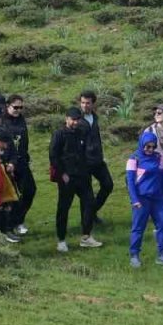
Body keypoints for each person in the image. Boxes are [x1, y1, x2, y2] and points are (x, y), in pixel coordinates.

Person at [50, 107, 102, 252]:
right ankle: (61, 240)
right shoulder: (59, 134)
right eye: (73, 120)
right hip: (67, 177)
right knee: (64, 208)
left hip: (83, 175)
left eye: (78, 120)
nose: (75, 123)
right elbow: (53, 156)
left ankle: (86, 236)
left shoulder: (82, 132)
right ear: (66, 118)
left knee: (90, 203)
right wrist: (62, 174)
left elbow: (86, 151)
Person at [126, 130, 163, 268]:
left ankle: (162, 255)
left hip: (158, 198)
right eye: (147, 146)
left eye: (153, 147)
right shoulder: (134, 159)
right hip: (141, 199)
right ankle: (134, 255)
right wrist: (134, 200)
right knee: (138, 227)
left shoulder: (159, 157)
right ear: (142, 145)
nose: (150, 149)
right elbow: (130, 181)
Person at [0, 94, 36, 235]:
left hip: (22, 162)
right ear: (7, 106)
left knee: (30, 190)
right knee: (11, 196)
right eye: (15, 107)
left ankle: (18, 220)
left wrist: (26, 157)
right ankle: (8, 226)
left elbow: (24, 141)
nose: (18, 110)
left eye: (21, 107)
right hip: (7, 163)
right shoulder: (2, 121)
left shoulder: (21, 120)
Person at [78, 91, 115, 224]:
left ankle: (91, 212)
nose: (85, 105)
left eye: (88, 103)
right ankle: (86, 221)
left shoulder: (95, 117)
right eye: (82, 102)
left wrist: (101, 155)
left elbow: (97, 138)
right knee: (86, 193)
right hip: (83, 162)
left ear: (93, 104)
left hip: (97, 160)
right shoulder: (76, 119)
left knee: (108, 185)